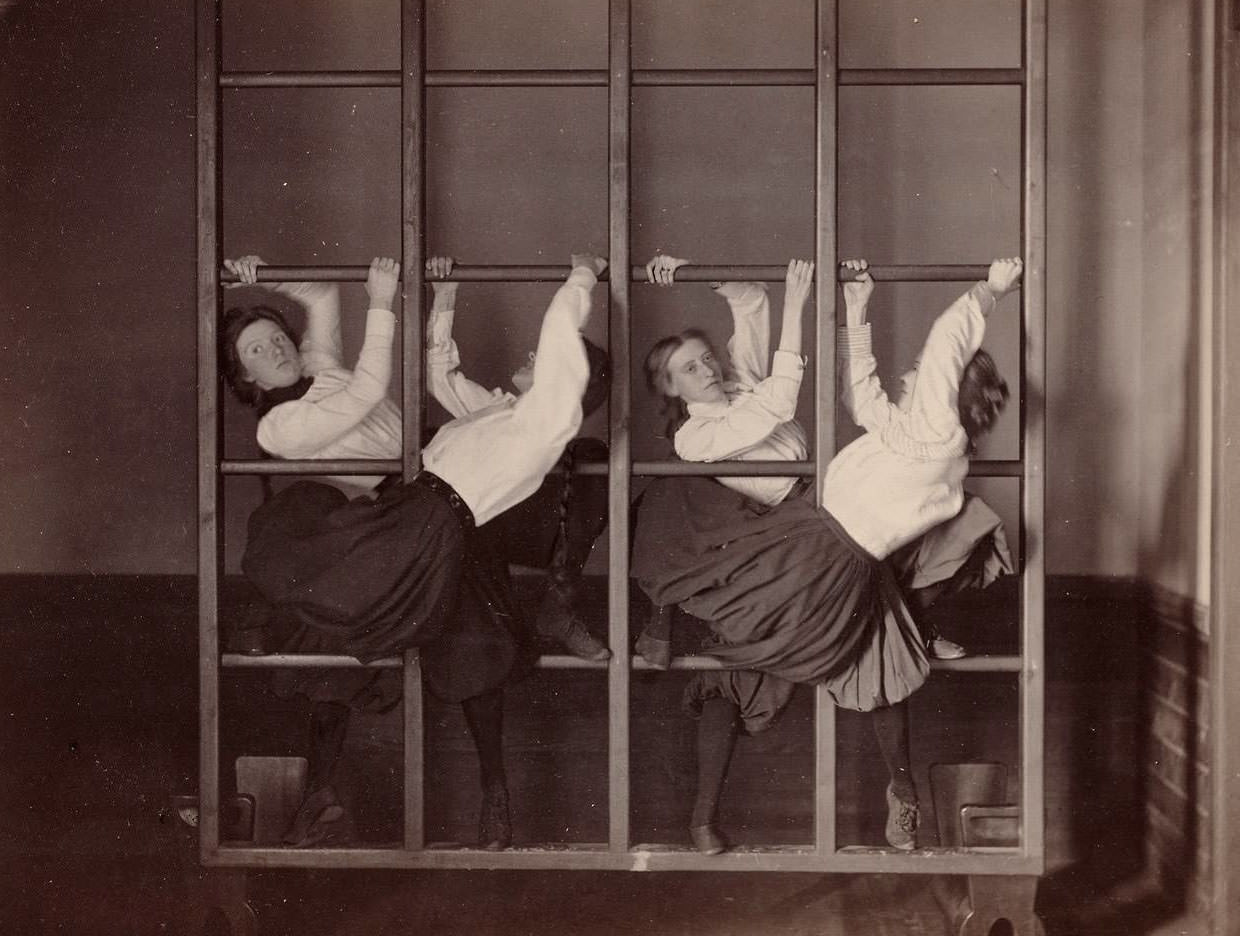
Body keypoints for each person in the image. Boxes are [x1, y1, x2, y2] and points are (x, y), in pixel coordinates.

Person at [633, 252, 1022, 854]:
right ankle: (702, 813)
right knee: (741, 665)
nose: (707, 369)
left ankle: (903, 781)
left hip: (823, 538)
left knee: (879, 657)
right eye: (688, 367)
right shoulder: (695, 432)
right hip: (786, 536)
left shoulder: (929, 430)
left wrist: (989, 291)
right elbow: (856, 397)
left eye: (706, 358)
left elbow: (938, 344)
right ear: (669, 388)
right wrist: (856, 306)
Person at [221, 252, 608, 850]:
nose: (274, 349)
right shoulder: (278, 428)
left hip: (435, 491)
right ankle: (319, 788)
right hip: (381, 526)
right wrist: (380, 301)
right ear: (245, 379)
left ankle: (495, 793)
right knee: (338, 646)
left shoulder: (322, 370)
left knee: (477, 640)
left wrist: (257, 276)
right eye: (255, 351)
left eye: (275, 335)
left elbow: (320, 296)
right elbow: (372, 388)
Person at [423, 260, 611, 662]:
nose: (532, 353)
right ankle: (518, 628)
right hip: (482, 528)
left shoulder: (549, 426)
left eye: (544, 356)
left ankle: (557, 606)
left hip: (536, 532)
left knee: (592, 457)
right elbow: (441, 378)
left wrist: (585, 272)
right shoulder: (497, 409)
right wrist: (445, 292)